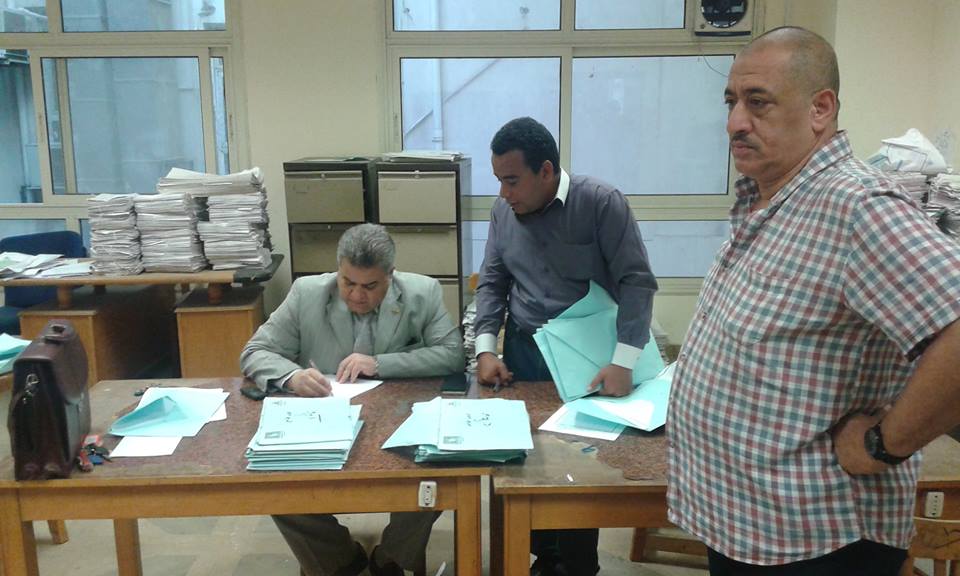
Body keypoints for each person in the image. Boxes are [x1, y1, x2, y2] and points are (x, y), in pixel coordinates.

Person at [667, 26, 960, 576]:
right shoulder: (774, 201)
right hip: (749, 527)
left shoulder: (856, 206)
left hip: (815, 541)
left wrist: (882, 444)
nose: (734, 122)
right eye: (731, 102)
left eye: (758, 102)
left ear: (820, 109)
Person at [474, 116, 658, 575]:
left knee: (579, 462)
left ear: (546, 171)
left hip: (588, 357)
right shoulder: (503, 211)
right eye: (498, 180)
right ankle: (542, 557)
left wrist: (624, 360)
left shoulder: (600, 203)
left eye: (512, 180)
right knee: (526, 460)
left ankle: (578, 566)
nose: (503, 193)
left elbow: (636, 281)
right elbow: (493, 281)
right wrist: (486, 348)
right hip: (525, 352)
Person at [240, 223, 464, 576]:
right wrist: (292, 376)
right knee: (272, 482)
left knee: (441, 475)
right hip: (324, 422)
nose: (357, 295)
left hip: (397, 419)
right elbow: (255, 351)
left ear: (390, 276)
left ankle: (392, 558)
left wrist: (380, 363)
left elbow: (452, 354)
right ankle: (338, 560)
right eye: (348, 282)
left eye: (370, 286)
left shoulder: (422, 292)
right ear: (338, 270)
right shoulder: (307, 293)